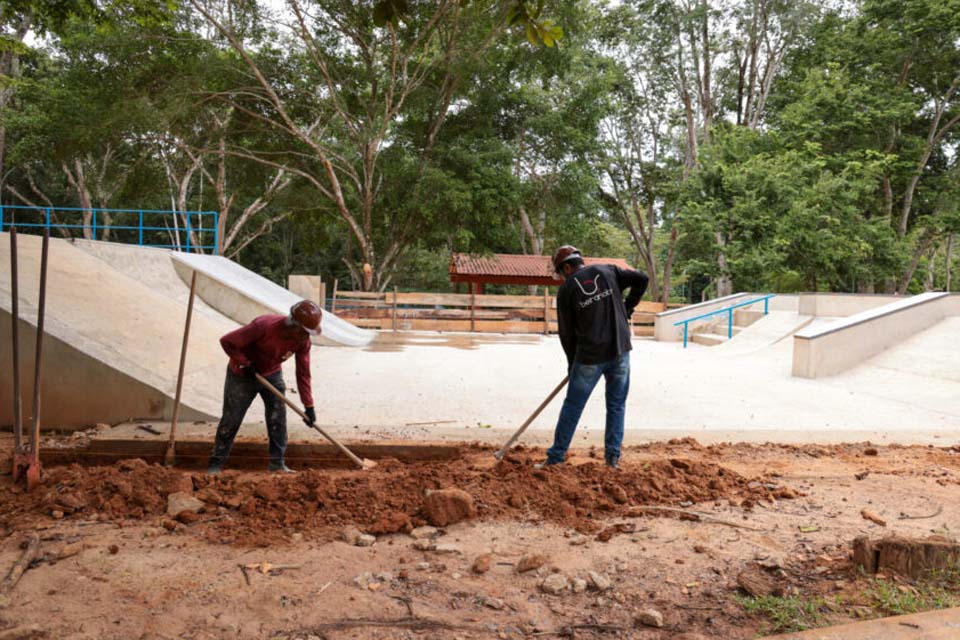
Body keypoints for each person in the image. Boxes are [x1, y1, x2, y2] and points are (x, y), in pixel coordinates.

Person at [538, 246, 648, 470]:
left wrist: (572, 364)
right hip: (620, 350)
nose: (561, 278)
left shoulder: (567, 290)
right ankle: (613, 458)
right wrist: (628, 307)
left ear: (567, 267)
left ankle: (556, 457)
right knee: (616, 404)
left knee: (573, 405)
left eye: (561, 273)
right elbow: (642, 279)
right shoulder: (608, 271)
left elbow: (567, 334)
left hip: (590, 357)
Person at [207, 300, 322, 475]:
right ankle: (215, 464)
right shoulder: (264, 326)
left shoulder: (302, 342)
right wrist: (244, 363)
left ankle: (277, 464)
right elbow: (227, 341)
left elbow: (303, 374)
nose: (306, 337)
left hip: (272, 375)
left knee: (278, 420)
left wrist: (309, 406)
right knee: (231, 420)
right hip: (242, 376)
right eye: (304, 332)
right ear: (293, 324)